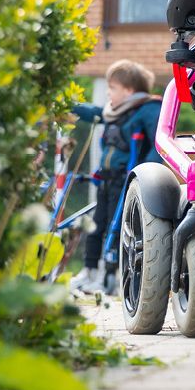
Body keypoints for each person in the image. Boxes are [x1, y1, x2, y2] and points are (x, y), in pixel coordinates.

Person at [67, 60, 161, 295]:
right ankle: (89, 272)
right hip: (106, 181)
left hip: (126, 183)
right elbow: (94, 113)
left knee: (117, 227)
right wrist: (67, 105)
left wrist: (144, 176)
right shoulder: (113, 112)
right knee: (96, 226)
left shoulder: (147, 110)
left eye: (112, 88)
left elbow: (158, 145)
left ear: (128, 90)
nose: (108, 93)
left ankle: (113, 275)